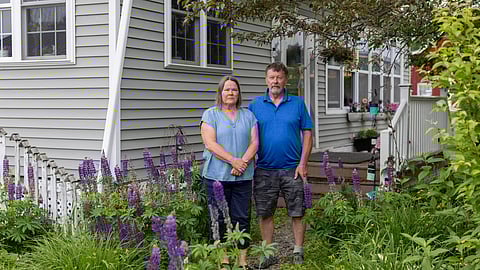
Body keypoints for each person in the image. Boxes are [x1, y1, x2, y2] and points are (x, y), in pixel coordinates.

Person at [248, 62, 313, 267]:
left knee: (297, 211)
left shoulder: (298, 103)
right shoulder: (255, 105)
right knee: (265, 213)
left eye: (279, 77)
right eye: (271, 77)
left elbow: (308, 134)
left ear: (286, 80)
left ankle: (298, 251)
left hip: (293, 168)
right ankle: (268, 253)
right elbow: (247, 136)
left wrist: (303, 163)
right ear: (266, 80)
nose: (275, 81)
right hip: (264, 168)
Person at [200, 75, 258, 269]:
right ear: (220, 93)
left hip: (243, 176)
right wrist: (234, 160)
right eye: (227, 89)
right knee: (218, 219)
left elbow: (254, 142)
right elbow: (210, 144)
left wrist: (242, 163)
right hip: (216, 177)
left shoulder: (248, 115)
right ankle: (223, 260)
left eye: (234, 89)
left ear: (238, 93)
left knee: (241, 217)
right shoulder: (210, 115)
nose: (231, 93)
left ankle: (242, 261)